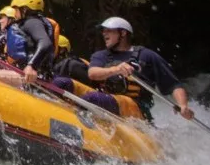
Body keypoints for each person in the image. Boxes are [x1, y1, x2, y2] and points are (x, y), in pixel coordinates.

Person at [53, 17, 194, 121]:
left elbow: (174, 85)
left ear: (123, 34)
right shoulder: (101, 55)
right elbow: (93, 74)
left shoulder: (146, 56)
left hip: (134, 105)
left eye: (109, 31)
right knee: (60, 83)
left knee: (92, 98)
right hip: (106, 96)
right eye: (103, 31)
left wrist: (183, 105)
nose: (104, 34)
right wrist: (116, 70)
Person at [4, 0, 56, 84]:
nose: (14, 14)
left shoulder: (32, 22)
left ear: (24, 9)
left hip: (33, 76)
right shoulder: (26, 24)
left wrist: (32, 66)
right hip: (27, 72)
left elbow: (45, 43)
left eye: (16, 10)